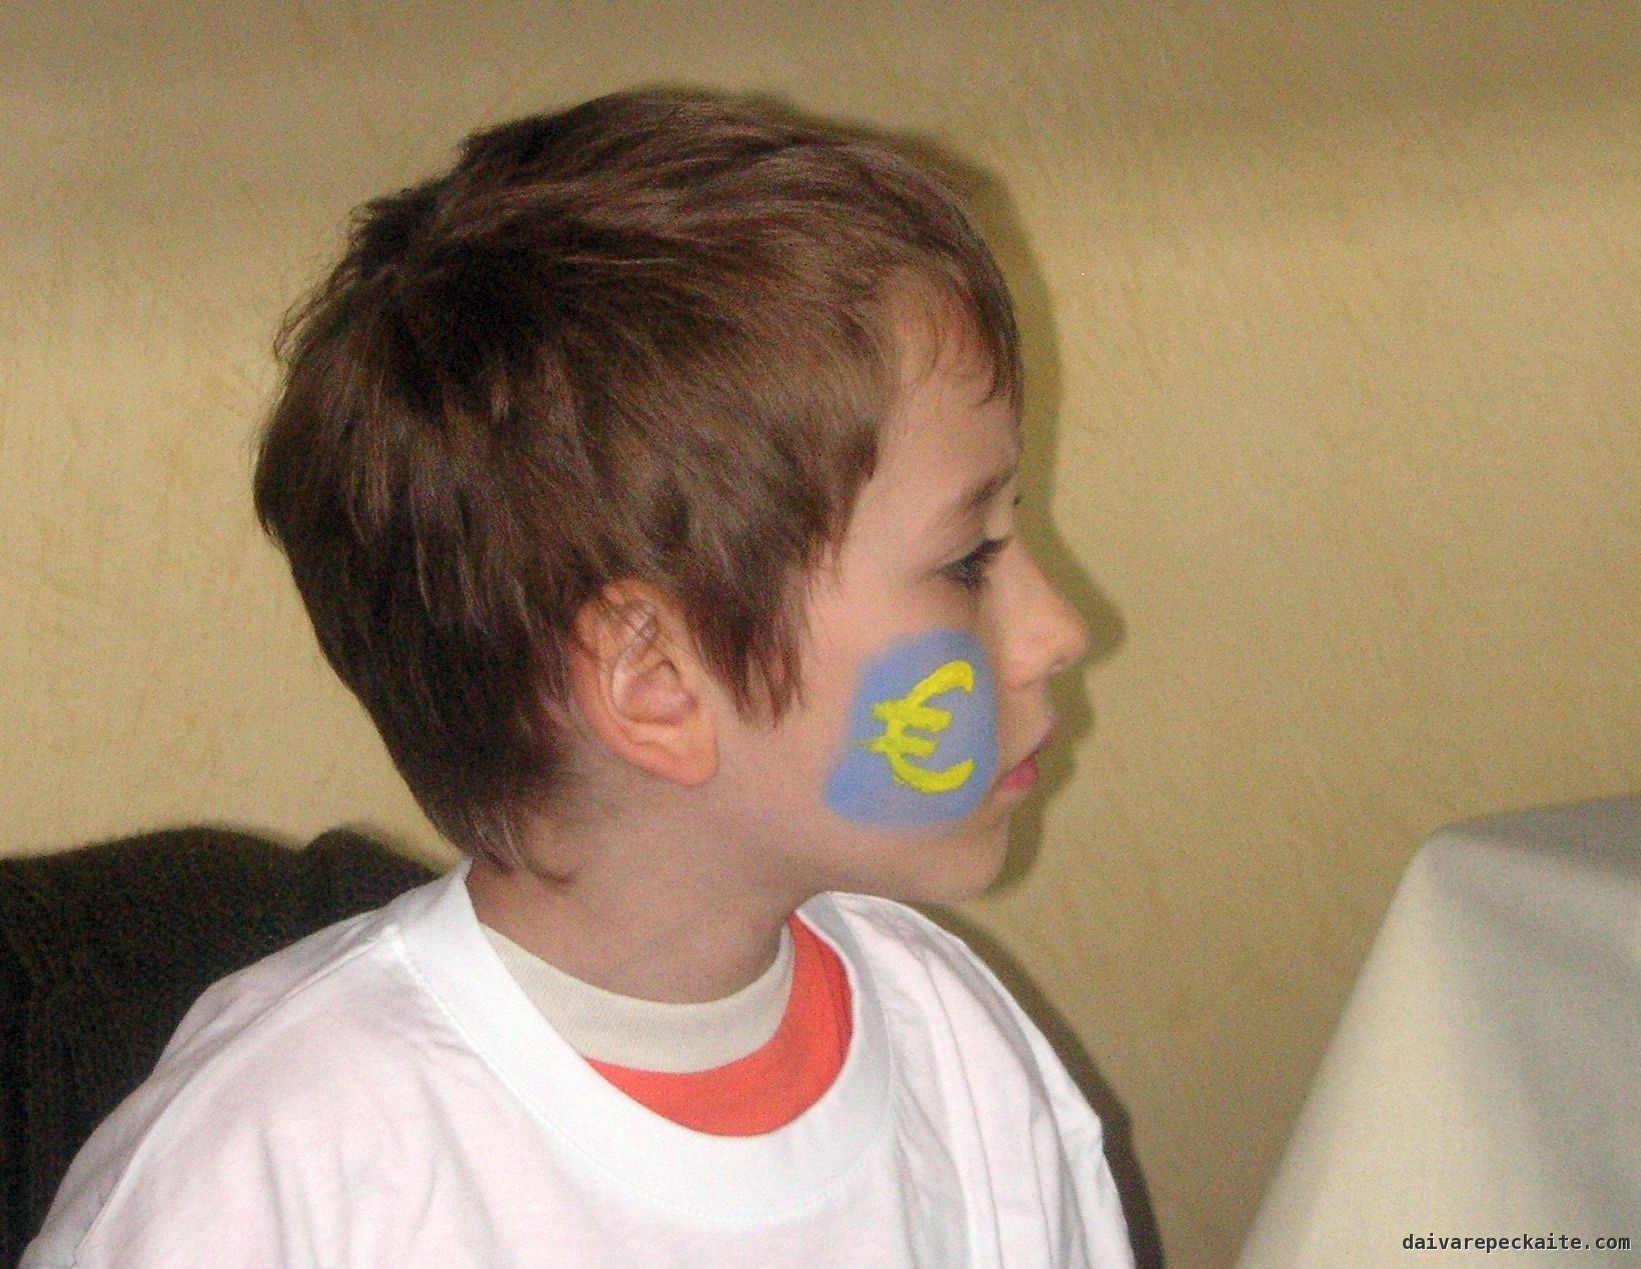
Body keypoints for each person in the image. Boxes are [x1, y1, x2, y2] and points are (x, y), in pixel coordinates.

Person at [26, 90, 1135, 1266]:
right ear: (655, 681)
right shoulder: (280, 1176)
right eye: (968, 561)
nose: (1059, 630)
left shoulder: (955, 1048)